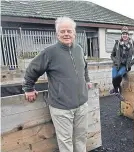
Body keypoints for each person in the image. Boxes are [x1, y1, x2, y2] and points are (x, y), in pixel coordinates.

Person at [22, 16, 92, 152]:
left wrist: (87, 80)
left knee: (81, 137)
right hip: (61, 108)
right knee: (65, 141)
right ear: (57, 34)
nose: (66, 34)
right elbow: (32, 70)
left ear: (74, 33)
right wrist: (29, 88)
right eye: (62, 31)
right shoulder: (50, 52)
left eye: (69, 31)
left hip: (82, 105)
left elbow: (84, 67)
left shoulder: (79, 49)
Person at [109, 26, 134, 100]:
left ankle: (115, 90)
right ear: (121, 35)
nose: (124, 35)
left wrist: (130, 63)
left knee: (119, 75)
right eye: (123, 34)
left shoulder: (132, 44)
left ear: (128, 35)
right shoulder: (117, 43)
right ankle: (117, 91)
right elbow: (112, 55)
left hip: (125, 66)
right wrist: (115, 60)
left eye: (126, 34)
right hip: (116, 64)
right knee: (114, 77)